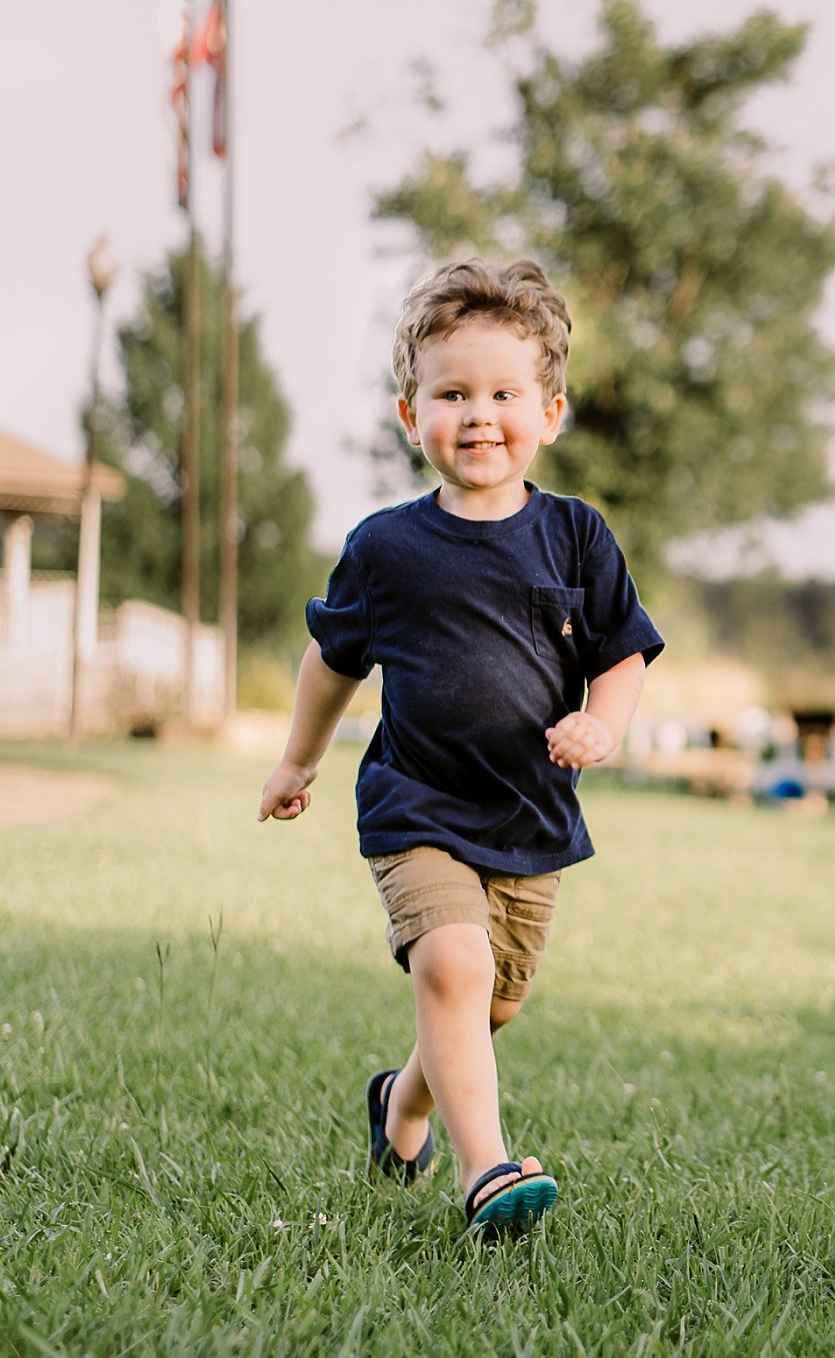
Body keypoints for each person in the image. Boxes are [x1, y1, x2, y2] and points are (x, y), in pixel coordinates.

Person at [258, 259, 663, 1239]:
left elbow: (622, 652)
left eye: (502, 393)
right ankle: (485, 1170)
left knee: (488, 1003)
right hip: (416, 805)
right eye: (451, 393)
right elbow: (330, 660)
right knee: (450, 966)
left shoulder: (575, 538)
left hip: (528, 816)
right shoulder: (386, 548)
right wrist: (299, 758)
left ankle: (401, 1104)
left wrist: (602, 720)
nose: (478, 415)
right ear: (411, 418)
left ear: (550, 411)